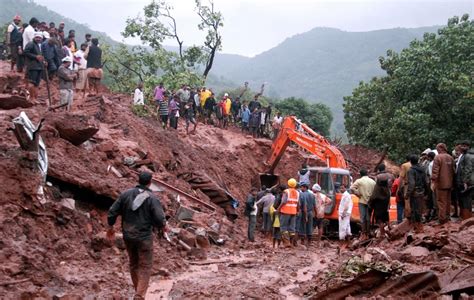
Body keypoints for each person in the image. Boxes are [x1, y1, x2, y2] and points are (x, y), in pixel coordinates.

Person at [107, 171, 166, 299]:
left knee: (133, 263)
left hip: (128, 235)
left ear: (138, 180)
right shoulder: (152, 198)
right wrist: (162, 226)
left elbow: (112, 211)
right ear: (150, 183)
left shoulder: (125, 194)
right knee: (145, 265)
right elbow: (160, 218)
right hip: (144, 237)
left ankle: (137, 291)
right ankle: (139, 295)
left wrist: (110, 226)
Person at [431, 143, 455, 224]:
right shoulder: (450, 157)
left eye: (437, 149)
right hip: (449, 183)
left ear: (441, 148)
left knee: (441, 202)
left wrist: (433, 182)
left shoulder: (438, 157)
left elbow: (435, 171)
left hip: (441, 184)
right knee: (448, 201)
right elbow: (453, 171)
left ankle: (442, 219)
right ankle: (447, 217)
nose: (437, 150)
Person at [350, 168, 375, 240]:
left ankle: (363, 233)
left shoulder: (359, 181)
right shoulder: (372, 182)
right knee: (368, 218)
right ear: (367, 173)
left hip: (362, 201)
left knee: (362, 218)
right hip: (370, 202)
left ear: (360, 174)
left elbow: (352, 188)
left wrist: (358, 194)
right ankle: (368, 233)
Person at [369, 165, 392, 238]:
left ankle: (382, 234)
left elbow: (373, 196)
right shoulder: (388, 188)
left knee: (379, 220)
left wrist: (370, 202)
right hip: (386, 203)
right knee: (386, 218)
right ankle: (391, 231)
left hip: (378, 205)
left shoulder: (378, 187)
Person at [407, 154, 428, 232]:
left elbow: (411, 184)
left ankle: (417, 228)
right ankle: (420, 226)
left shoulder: (411, 171)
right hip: (421, 192)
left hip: (415, 193)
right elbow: (426, 181)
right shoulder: (422, 169)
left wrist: (408, 194)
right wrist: (426, 191)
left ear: (411, 162)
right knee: (420, 209)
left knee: (415, 210)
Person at [277, 178, 300, 247]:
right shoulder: (297, 192)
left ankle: (286, 243)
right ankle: (292, 242)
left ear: (288, 184)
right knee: (292, 228)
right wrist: (297, 210)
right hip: (293, 212)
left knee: (283, 227)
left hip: (285, 211)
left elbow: (283, 201)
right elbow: (298, 203)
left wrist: (278, 209)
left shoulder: (286, 191)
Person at [24, 32, 44, 100]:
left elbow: (40, 56)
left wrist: (44, 61)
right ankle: (31, 98)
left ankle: (35, 98)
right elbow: (26, 52)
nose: (38, 39)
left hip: (39, 67)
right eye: (37, 37)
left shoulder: (39, 45)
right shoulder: (31, 44)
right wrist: (35, 56)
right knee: (32, 82)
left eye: (39, 38)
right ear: (34, 37)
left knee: (37, 84)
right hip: (32, 67)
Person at [457, 141, 473, 220]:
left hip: (468, 182)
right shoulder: (464, 155)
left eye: (464, 146)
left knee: (466, 199)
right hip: (464, 180)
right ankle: (465, 216)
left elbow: (468, 170)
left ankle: (467, 218)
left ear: (468, 146)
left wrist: (465, 182)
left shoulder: (468, 156)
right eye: (461, 146)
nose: (462, 147)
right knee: (463, 199)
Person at [399, 155, 412, 219]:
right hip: (416, 185)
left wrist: (399, 188)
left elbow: (401, 177)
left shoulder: (404, 165)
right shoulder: (416, 164)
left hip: (407, 185)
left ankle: (408, 216)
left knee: (407, 200)